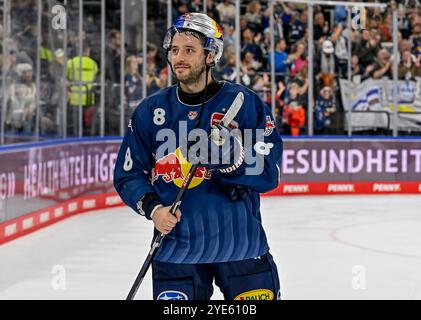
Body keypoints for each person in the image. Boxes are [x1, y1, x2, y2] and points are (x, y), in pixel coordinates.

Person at [114, 12, 283, 300]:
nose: (179, 57)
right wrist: (154, 209)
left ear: (211, 56)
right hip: (177, 252)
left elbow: (270, 174)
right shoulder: (149, 111)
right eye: (175, 50)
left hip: (240, 247)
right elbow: (128, 174)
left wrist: (233, 161)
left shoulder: (244, 103)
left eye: (189, 50)